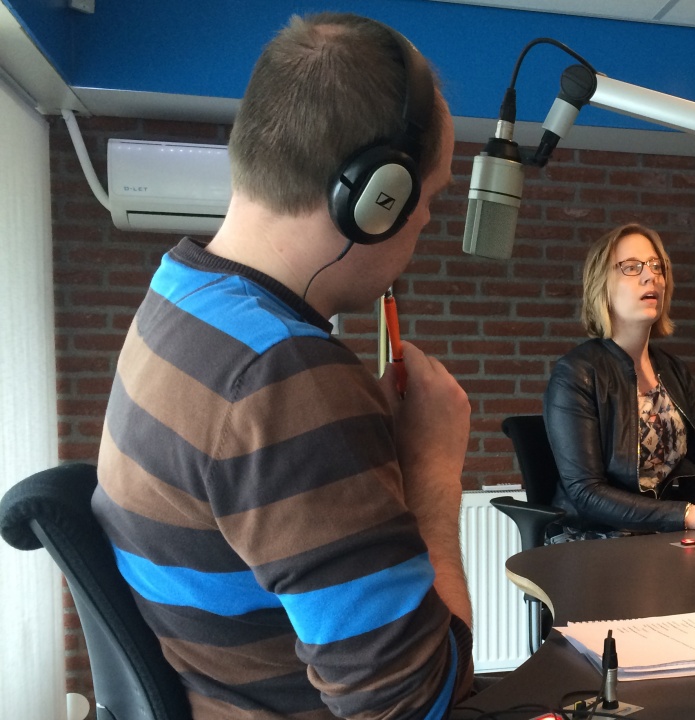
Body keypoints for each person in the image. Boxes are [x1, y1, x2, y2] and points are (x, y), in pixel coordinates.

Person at [91, 13, 473, 719]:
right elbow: (417, 706)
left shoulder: (177, 300)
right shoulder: (285, 377)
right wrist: (433, 470)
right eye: (431, 197)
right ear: (377, 200)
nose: (424, 222)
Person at [543, 223, 695, 541]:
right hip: (590, 538)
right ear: (602, 285)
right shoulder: (576, 373)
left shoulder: (674, 371)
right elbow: (585, 492)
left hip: (657, 535)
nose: (650, 276)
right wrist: (688, 514)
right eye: (632, 267)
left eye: (657, 266)